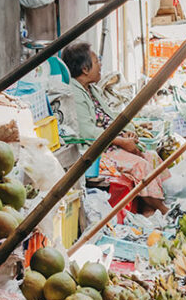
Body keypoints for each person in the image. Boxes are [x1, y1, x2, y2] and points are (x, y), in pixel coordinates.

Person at [63, 42, 169, 215]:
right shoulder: (74, 93)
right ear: (84, 68)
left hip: (113, 144)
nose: (100, 65)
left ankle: (149, 210)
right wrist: (120, 141)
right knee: (140, 165)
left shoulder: (92, 89)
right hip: (97, 153)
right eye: (97, 61)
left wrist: (127, 133)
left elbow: (111, 115)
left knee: (152, 156)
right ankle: (164, 210)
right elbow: (88, 132)